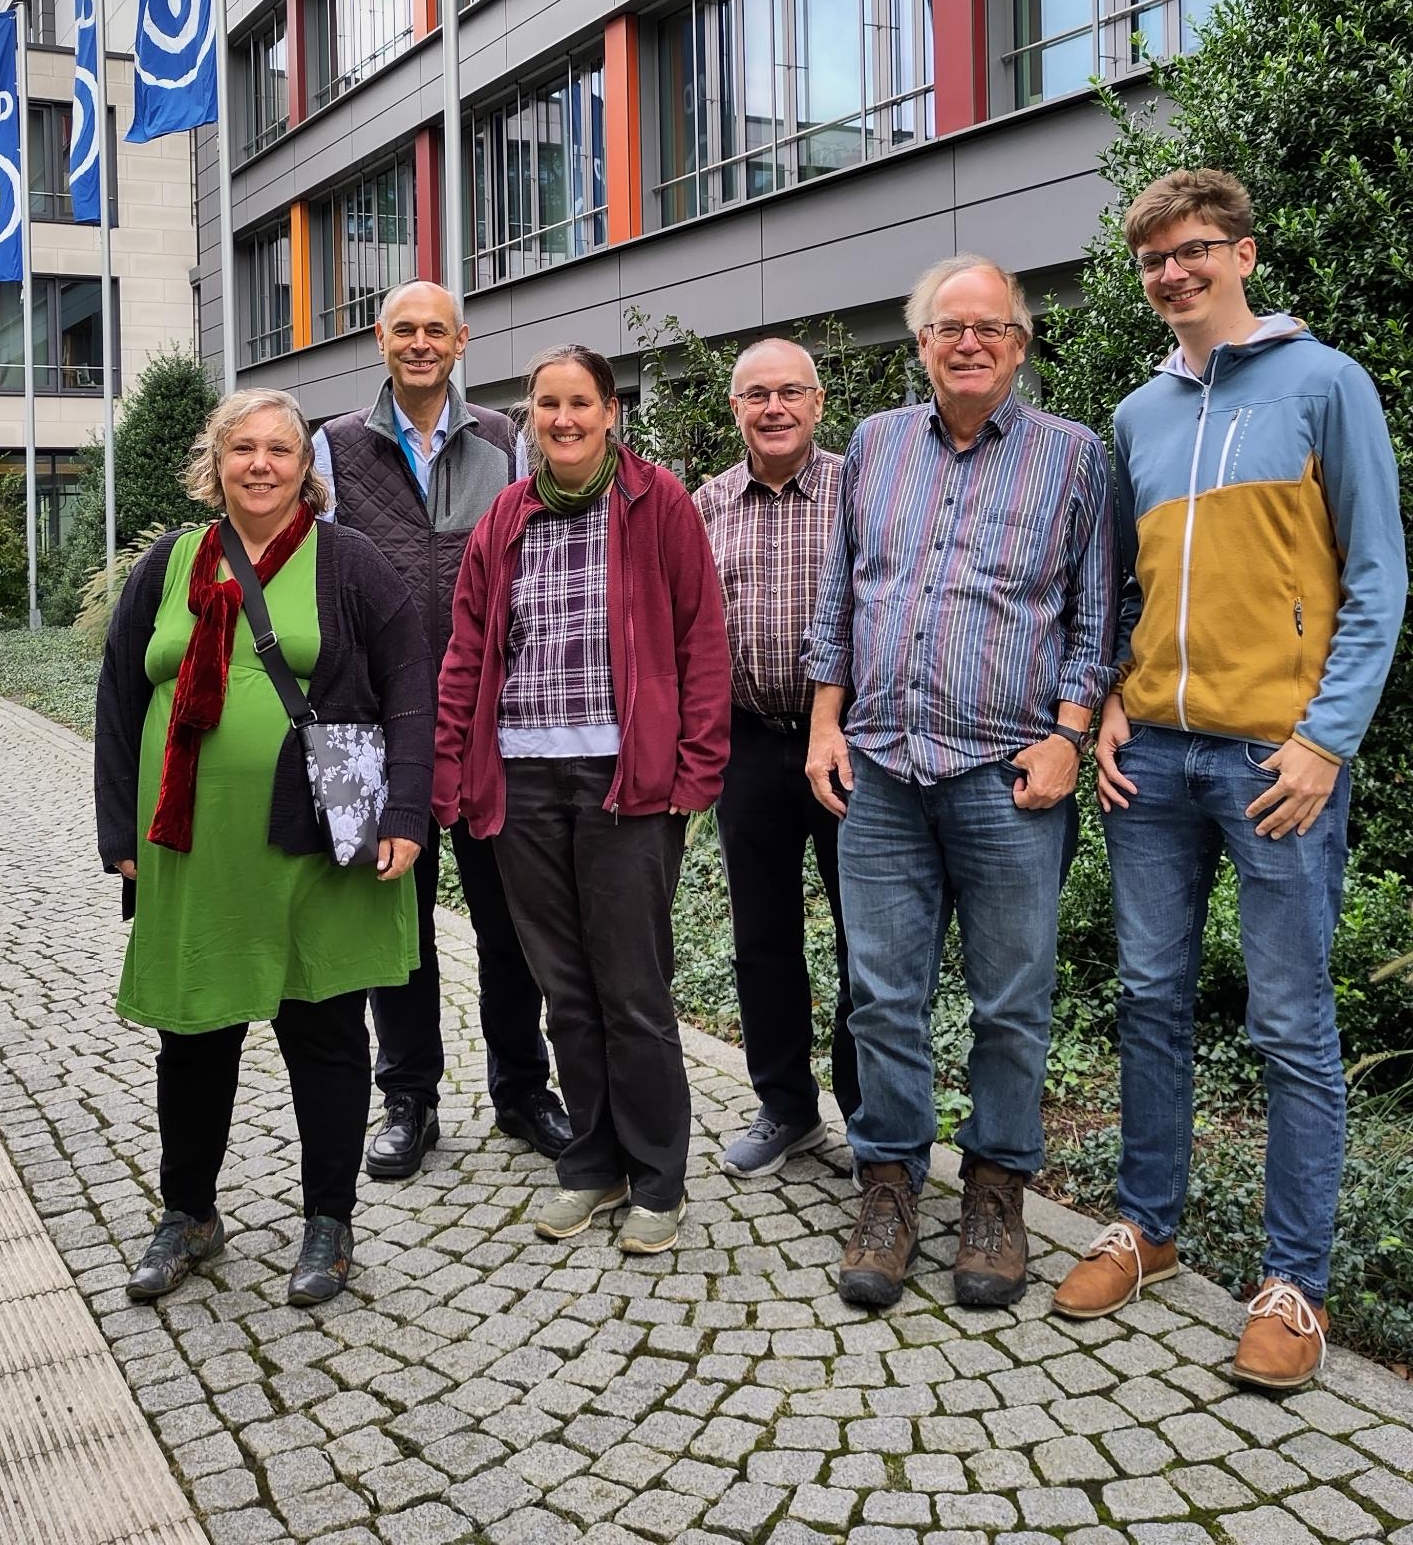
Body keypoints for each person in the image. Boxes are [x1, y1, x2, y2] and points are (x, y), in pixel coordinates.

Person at [1052, 169, 1406, 1390]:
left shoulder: (1326, 383)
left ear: (1243, 252)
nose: (1173, 271)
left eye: (1194, 248)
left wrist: (1326, 738)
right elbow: (1130, 590)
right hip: (1153, 750)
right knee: (1149, 995)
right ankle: (1148, 1227)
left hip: (1275, 759)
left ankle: (1293, 1282)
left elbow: (1379, 577)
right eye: (1154, 256)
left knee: (1292, 1022)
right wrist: (1107, 705)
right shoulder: (1138, 415)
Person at [804, 256, 1116, 1310]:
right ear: (922, 344)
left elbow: (1093, 609)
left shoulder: (1074, 456)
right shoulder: (877, 447)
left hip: (1008, 771)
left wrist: (1072, 732)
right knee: (882, 997)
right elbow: (843, 593)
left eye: (991, 326)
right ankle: (888, 1181)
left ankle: (994, 1189)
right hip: (882, 763)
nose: (969, 341)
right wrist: (822, 722)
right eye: (948, 326)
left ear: (1021, 345)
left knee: (1012, 1003)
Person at [95, 388, 433, 1307]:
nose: (260, 465)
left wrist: (407, 810)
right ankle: (189, 1213)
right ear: (217, 461)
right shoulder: (171, 563)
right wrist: (117, 832)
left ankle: (329, 1221)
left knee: (322, 1031)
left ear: (304, 467)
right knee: (194, 1032)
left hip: (313, 842)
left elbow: (410, 683)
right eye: (242, 448)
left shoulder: (350, 562)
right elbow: (121, 696)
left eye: (278, 449)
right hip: (192, 847)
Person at [434, 345, 731, 1256]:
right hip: (522, 778)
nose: (562, 419)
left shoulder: (657, 503)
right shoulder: (506, 517)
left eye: (580, 403)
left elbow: (701, 638)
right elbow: (467, 650)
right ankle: (593, 1163)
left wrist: (694, 770)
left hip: (624, 779)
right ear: (527, 415)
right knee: (565, 989)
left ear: (610, 412)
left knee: (631, 988)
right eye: (546, 404)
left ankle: (659, 1175)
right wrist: (450, 770)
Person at [313, 280, 568, 1180]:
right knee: (398, 922)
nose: (420, 344)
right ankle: (409, 1097)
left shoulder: (506, 439)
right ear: (379, 339)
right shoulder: (334, 446)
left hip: (491, 724)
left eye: (436, 331)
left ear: (462, 341)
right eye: (404, 330)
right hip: (382, 731)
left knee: (510, 924)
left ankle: (523, 1088)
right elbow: (316, 580)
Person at [693, 339, 859, 1177]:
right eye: (756, 394)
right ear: (736, 409)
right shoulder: (706, 505)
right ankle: (786, 1107)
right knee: (763, 937)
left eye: (790, 392)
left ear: (818, 402)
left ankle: (869, 1116)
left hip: (852, 745)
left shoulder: (861, 489)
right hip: (749, 745)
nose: (774, 408)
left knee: (868, 937)